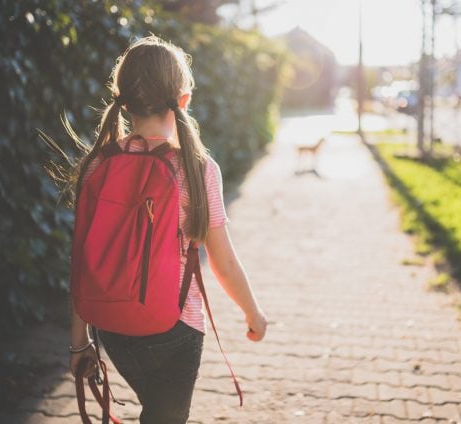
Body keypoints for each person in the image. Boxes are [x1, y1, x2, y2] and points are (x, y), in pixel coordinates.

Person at [67, 35, 268, 423]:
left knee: (155, 410)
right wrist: (253, 313)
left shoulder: (97, 164)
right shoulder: (198, 169)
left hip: (110, 324)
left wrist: (79, 344)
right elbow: (222, 260)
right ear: (184, 98)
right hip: (175, 329)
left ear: (122, 97)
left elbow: (80, 259)